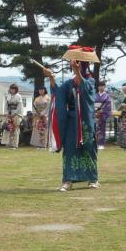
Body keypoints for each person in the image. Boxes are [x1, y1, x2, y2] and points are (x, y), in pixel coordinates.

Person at [45, 45, 100, 191]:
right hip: (71, 121)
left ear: (83, 65)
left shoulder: (90, 81)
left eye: (76, 63)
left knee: (88, 148)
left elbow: (86, 90)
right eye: (72, 63)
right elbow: (57, 93)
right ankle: (68, 180)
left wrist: (77, 71)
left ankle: (92, 179)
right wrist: (51, 77)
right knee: (70, 149)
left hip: (86, 121)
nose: (72, 65)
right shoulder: (69, 83)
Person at [1, 83, 23, 149]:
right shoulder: (8, 96)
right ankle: (8, 143)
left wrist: (15, 113)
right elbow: (6, 106)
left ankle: (15, 144)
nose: (12, 90)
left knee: (15, 128)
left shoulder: (18, 96)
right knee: (8, 128)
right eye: (11, 89)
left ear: (16, 90)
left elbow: (20, 106)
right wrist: (6, 113)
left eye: (13, 89)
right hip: (9, 114)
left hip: (15, 114)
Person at [95, 81, 112, 150]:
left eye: (102, 86)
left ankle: (101, 144)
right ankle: (95, 143)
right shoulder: (95, 95)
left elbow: (108, 105)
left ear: (104, 87)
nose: (101, 87)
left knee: (102, 129)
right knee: (95, 129)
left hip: (102, 115)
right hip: (95, 114)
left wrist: (103, 110)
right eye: (100, 86)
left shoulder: (107, 96)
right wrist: (95, 111)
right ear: (98, 87)